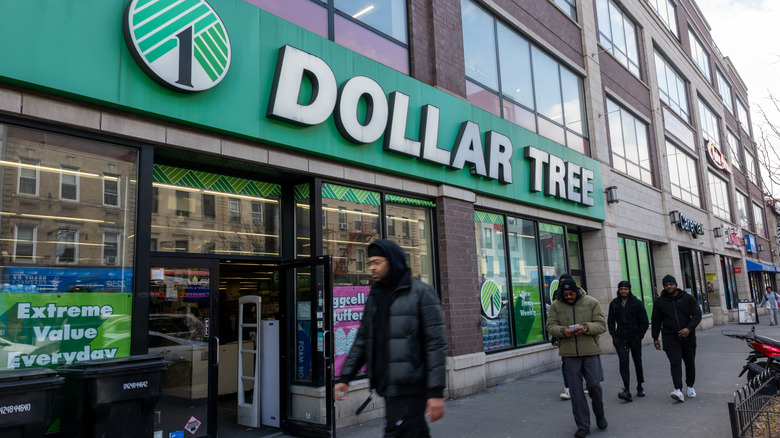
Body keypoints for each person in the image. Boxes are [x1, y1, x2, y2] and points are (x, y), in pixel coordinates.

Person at [334, 239, 447, 437]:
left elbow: (435, 345)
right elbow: (363, 339)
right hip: (388, 385)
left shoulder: (421, 294)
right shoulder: (375, 296)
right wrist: (345, 377)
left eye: (377, 262)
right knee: (414, 432)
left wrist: (436, 392)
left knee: (396, 432)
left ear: (392, 261)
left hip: (411, 386)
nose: (371, 267)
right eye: (370, 263)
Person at [547, 278, 607, 438]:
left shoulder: (591, 302)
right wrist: (562, 331)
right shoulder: (555, 305)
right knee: (576, 391)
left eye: (571, 293)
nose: (568, 297)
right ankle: (583, 425)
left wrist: (587, 327)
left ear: (577, 291)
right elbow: (550, 326)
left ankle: (599, 414)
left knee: (594, 384)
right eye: (565, 294)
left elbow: (602, 325)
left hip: (590, 351)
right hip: (569, 353)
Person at [651, 274, 702, 402]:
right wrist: (655, 338)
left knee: (689, 362)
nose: (669, 286)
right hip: (670, 337)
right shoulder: (660, 302)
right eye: (666, 285)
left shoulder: (687, 298)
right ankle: (678, 390)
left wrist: (689, 329)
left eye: (671, 284)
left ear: (676, 285)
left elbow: (697, 314)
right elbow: (656, 320)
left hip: (688, 337)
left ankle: (690, 386)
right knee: (675, 362)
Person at [607, 280, 649, 402]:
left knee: (637, 361)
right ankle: (626, 389)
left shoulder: (637, 303)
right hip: (620, 338)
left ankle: (640, 385)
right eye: (621, 289)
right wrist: (613, 335)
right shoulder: (614, 304)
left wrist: (639, 336)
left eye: (626, 289)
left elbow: (644, 321)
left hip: (634, 337)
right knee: (623, 362)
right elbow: (610, 320)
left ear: (629, 290)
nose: (623, 291)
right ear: (618, 290)